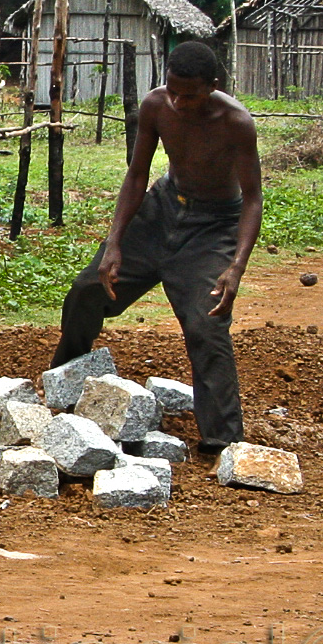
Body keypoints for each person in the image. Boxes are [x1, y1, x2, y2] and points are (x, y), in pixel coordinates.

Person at [52, 41, 259, 454]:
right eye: (174, 90)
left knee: (207, 323)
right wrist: (115, 244)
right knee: (88, 289)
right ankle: (61, 386)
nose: (180, 102)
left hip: (213, 225)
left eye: (191, 94)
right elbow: (137, 174)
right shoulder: (155, 106)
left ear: (212, 86)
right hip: (160, 210)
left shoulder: (236, 122)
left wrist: (235, 267)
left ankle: (223, 442)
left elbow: (252, 198)